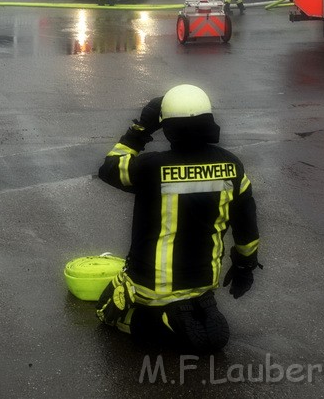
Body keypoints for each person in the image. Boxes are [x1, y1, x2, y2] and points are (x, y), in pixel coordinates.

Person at [95, 84, 261, 353]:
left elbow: (110, 168)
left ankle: (158, 321)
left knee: (106, 311)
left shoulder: (151, 167)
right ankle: (195, 306)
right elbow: (247, 227)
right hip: (204, 280)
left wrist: (140, 129)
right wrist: (245, 265)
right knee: (195, 289)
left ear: (168, 128)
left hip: (152, 285)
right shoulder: (232, 166)